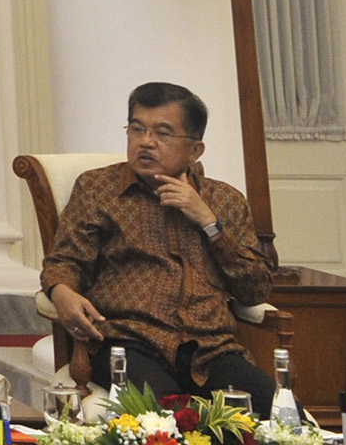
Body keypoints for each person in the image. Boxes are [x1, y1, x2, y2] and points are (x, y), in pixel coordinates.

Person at [41, 82, 277, 402]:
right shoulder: (97, 188)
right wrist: (61, 292)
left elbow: (256, 289)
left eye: (163, 133)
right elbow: (65, 261)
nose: (146, 142)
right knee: (164, 420)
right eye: (137, 129)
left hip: (210, 351)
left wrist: (208, 222)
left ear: (195, 150)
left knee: (276, 418)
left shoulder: (225, 200)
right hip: (128, 341)